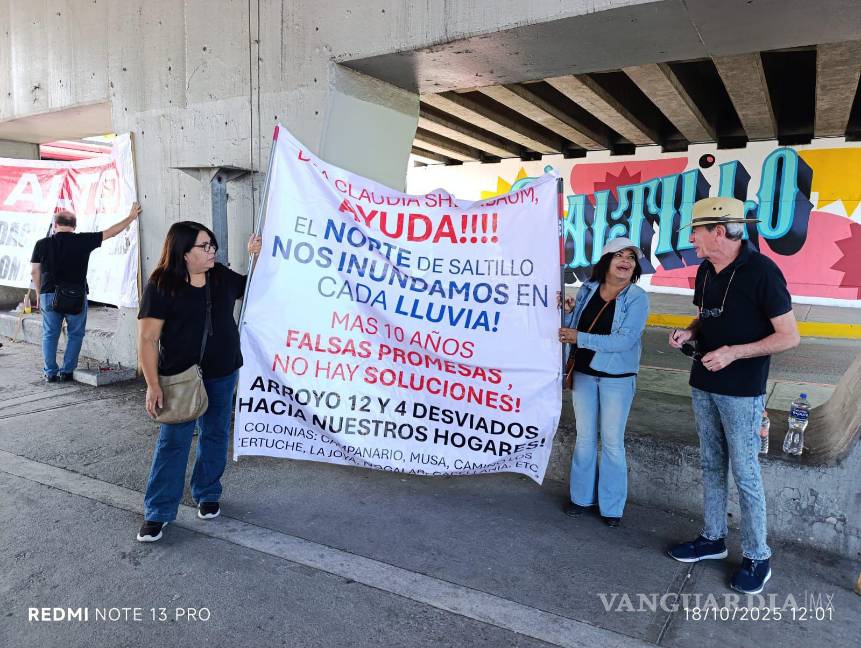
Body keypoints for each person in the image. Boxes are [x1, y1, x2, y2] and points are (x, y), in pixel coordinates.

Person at [667, 196, 800, 595]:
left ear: (719, 232)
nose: (691, 240)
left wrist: (733, 353)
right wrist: (689, 332)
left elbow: (789, 337)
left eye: (696, 232)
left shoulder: (763, 272)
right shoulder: (706, 269)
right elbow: (705, 317)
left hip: (742, 392)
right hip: (703, 384)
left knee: (744, 472)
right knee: (711, 464)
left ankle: (758, 556)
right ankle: (713, 538)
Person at [136, 222, 262, 543]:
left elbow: (251, 286)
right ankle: (158, 511)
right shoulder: (162, 285)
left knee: (215, 434)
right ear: (183, 252)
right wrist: (153, 384)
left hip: (223, 372)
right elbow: (148, 339)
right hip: (179, 378)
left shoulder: (220, 276)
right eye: (204, 246)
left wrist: (255, 257)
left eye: (212, 245)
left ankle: (207, 493)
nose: (212, 251)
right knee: (173, 442)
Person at [559, 237, 649, 527]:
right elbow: (571, 330)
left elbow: (624, 341)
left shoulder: (637, 297)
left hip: (618, 379)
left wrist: (580, 337)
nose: (625, 261)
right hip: (584, 373)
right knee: (585, 438)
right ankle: (580, 498)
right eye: (619, 255)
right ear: (606, 260)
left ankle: (611, 508)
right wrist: (569, 313)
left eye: (631, 258)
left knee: (612, 442)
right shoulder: (588, 289)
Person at [30, 203, 141, 382]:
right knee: (75, 334)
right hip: (75, 295)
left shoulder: (42, 244)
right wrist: (131, 217)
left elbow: (35, 271)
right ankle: (67, 371)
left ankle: (50, 373)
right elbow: (111, 232)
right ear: (74, 226)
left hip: (48, 294)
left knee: (50, 334)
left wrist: (39, 293)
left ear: (55, 225)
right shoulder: (83, 240)